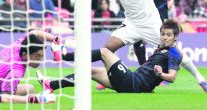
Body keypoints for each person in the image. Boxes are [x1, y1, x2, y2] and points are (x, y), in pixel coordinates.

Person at [38, 19, 183, 93]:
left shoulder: (174, 52)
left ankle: (64, 56)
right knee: (90, 71)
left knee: (104, 52)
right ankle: (51, 85)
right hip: (133, 82)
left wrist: (161, 74)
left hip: (134, 83)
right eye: (163, 34)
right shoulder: (162, 48)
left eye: (168, 35)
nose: (164, 37)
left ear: (175, 37)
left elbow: (172, 77)